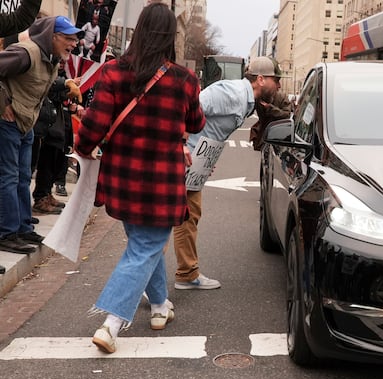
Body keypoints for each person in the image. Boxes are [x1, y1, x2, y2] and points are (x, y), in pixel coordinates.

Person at [75, 2, 205, 354]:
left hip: (123, 180)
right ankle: (111, 324)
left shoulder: (115, 72)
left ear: (139, 31)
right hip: (162, 185)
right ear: (170, 36)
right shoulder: (184, 80)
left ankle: (160, 306)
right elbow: (197, 124)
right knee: (145, 248)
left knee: (142, 246)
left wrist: (83, 148)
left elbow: (94, 125)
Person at [172, 56, 282, 290]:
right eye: (276, 80)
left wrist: (206, 157)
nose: (279, 86)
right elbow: (186, 108)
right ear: (260, 79)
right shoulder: (229, 93)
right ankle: (148, 280)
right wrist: (181, 145)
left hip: (196, 160)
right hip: (184, 158)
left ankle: (187, 274)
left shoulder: (249, 100)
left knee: (189, 216)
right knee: (168, 218)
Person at [0, 16, 81, 254]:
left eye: (75, 39)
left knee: (24, 177)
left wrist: (64, 84)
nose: (73, 44)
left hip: (26, 123)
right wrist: (2, 103)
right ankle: (6, 232)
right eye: (68, 38)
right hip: (8, 123)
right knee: (8, 178)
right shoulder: (26, 52)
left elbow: (37, 81)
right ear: (52, 36)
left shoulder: (50, 58)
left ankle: (22, 227)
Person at [31, 63, 81, 213]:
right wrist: (66, 87)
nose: (62, 63)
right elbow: (50, 90)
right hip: (46, 126)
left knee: (56, 161)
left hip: (58, 122)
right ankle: (41, 198)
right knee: (44, 164)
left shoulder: (61, 75)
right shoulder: (46, 71)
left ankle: (46, 193)